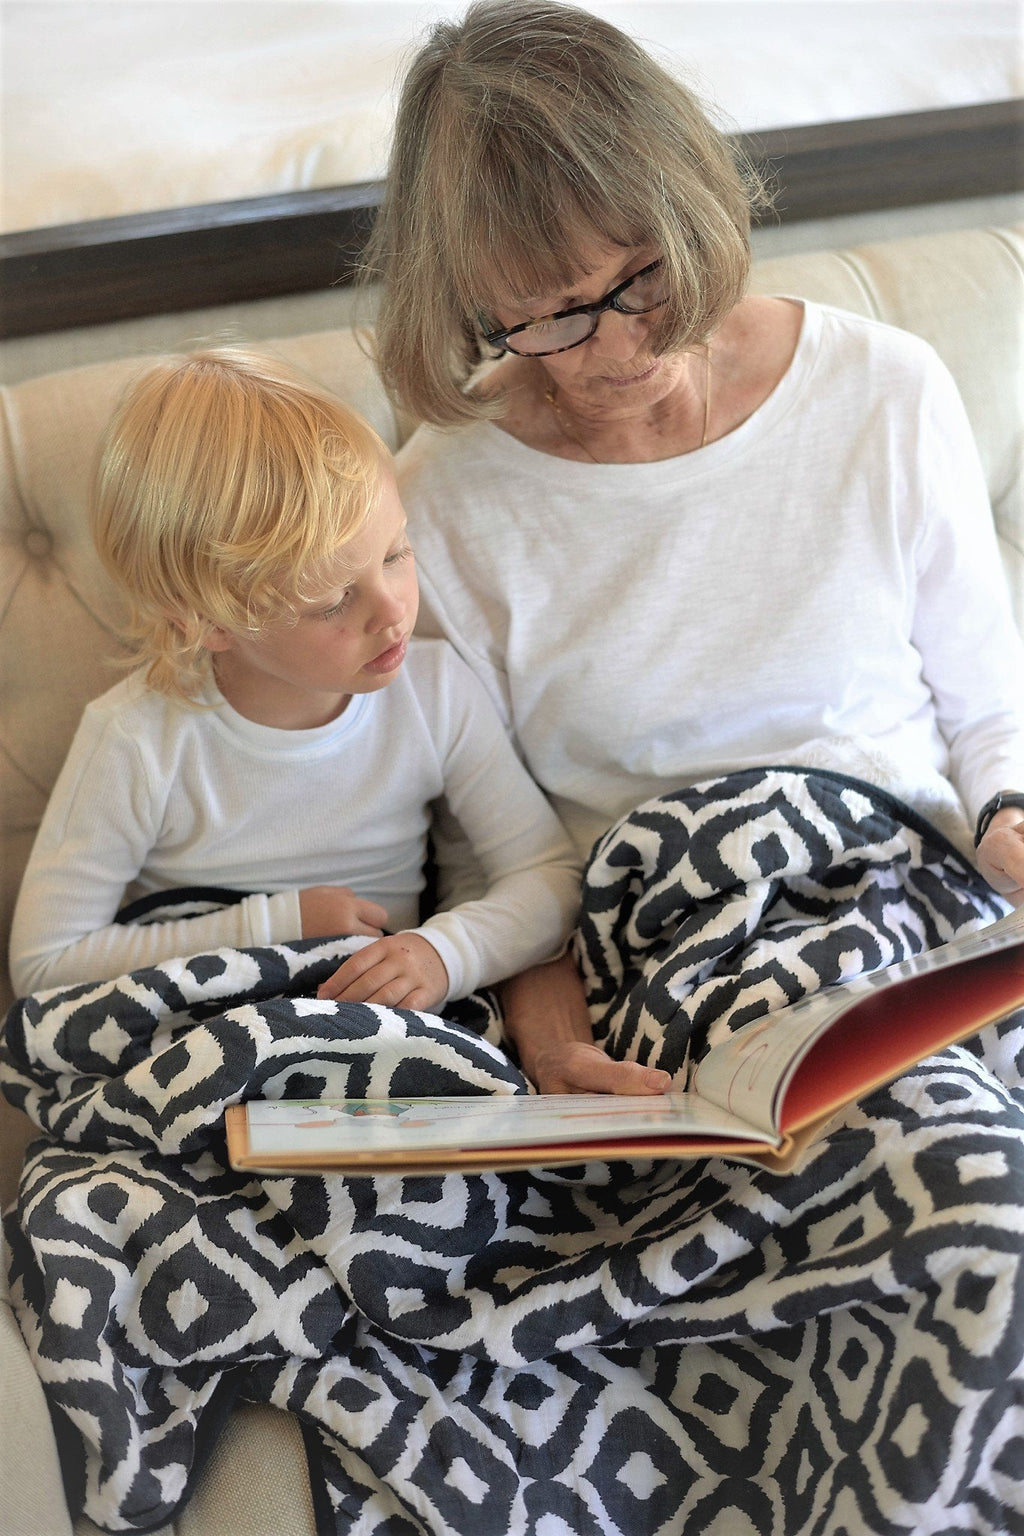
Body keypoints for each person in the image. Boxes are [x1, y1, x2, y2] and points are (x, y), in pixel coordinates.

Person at [363, 0, 1024, 1094]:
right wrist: (554, 1052)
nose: (619, 345)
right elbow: (492, 855)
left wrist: (1006, 817)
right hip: (671, 964)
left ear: (693, 209)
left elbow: (991, 713)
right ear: (480, 308)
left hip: (915, 914)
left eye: (642, 278)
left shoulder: (882, 388)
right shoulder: (442, 500)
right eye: (551, 317)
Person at [8, 345, 588, 1018]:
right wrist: (268, 929)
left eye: (396, 553)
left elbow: (548, 876)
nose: (395, 609)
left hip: (382, 1031)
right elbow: (44, 965)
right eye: (335, 600)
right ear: (210, 623)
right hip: (207, 1030)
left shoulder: (434, 692)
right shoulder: (138, 739)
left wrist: (444, 954)